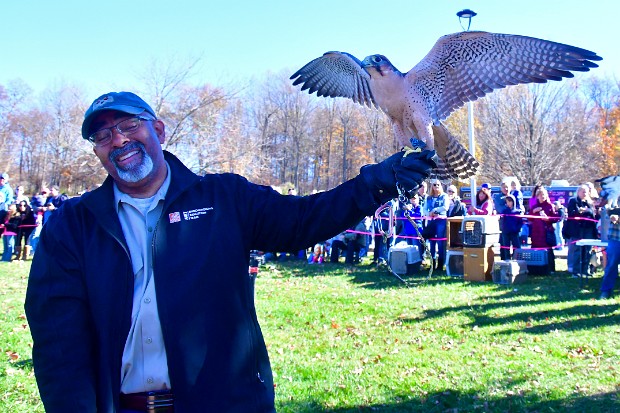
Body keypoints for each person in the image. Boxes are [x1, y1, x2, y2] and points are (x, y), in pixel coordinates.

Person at [24, 91, 436, 413]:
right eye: (103, 135)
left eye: (130, 125)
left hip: (224, 404)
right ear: (97, 150)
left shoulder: (224, 197)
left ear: (160, 131)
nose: (119, 139)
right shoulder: (73, 225)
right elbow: (58, 343)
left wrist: (374, 183)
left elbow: (302, 220)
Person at [565, 184, 598, 277]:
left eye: (586, 192)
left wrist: (586, 211)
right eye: (583, 191)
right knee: (577, 250)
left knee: (587, 250)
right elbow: (571, 213)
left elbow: (592, 213)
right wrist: (579, 212)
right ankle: (575, 271)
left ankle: (585, 270)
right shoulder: (573, 201)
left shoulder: (590, 203)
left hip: (588, 230)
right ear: (578, 192)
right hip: (577, 230)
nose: (584, 193)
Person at [529, 187, 559, 273]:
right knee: (535, 250)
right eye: (540, 195)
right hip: (536, 232)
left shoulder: (550, 206)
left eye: (544, 195)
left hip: (546, 232)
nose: (542, 196)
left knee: (548, 251)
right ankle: (535, 269)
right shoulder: (534, 206)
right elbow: (530, 219)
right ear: (537, 196)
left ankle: (550, 269)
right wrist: (533, 211)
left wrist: (548, 219)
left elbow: (555, 218)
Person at [424, 180, 448, 270]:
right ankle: (432, 264)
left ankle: (441, 264)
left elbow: (445, 207)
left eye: (438, 184)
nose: (436, 186)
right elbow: (424, 209)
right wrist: (429, 213)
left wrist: (435, 210)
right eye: (434, 185)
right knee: (432, 242)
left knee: (440, 242)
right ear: (432, 186)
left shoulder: (444, 196)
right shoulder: (429, 198)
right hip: (431, 222)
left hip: (441, 221)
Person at [600, 206, 620, 299]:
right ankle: (606, 291)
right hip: (616, 239)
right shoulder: (614, 203)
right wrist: (612, 216)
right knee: (611, 265)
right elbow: (607, 214)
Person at [499, 194, 523, 259]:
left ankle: (517, 261)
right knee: (506, 249)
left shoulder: (517, 212)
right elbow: (501, 221)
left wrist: (517, 229)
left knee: (516, 248)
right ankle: (507, 262)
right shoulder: (504, 211)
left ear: (513, 202)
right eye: (507, 202)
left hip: (515, 233)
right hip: (505, 233)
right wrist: (502, 229)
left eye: (510, 201)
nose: (508, 203)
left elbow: (520, 222)